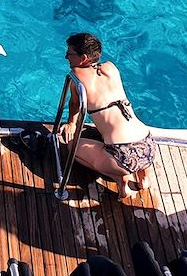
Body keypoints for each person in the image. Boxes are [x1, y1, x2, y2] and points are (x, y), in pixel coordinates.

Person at [57, 33, 155, 199]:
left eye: (70, 53)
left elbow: (75, 104)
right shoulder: (111, 68)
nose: (66, 56)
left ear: (83, 58)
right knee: (110, 133)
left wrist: (71, 124)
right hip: (148, 145)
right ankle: (144, 179)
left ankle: (121, 181)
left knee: (71, 147)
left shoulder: (77, 77)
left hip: (120, 155)